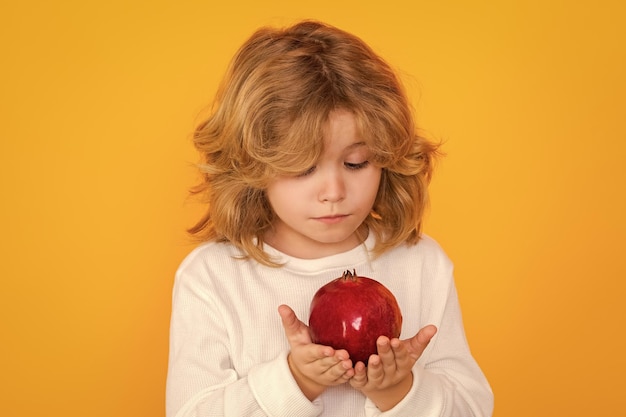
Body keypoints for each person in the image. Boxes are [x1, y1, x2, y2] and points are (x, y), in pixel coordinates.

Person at [166, 20, 493, 417]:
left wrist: (400, 390)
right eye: (304, 169)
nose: (334, 191)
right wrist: (296, 381)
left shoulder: (420, 263)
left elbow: (472, 409)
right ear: (252, 166)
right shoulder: (213, 277)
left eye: (356, 163)